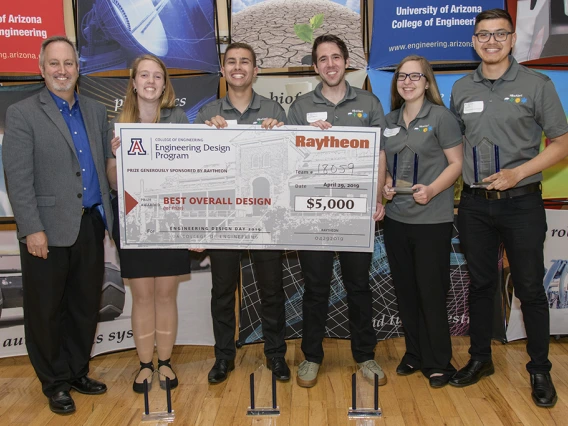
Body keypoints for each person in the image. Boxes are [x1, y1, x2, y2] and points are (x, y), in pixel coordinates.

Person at [449, 9, 568, 407]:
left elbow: (562, 144)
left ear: (513, 39)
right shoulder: (462, 88)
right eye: (483, 35)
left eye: (500, 34)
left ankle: (539, 369)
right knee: (481, 286)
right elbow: (454, 148)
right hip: (475, 206)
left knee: (530, 289)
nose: (491, 41)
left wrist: (518, 174)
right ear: (474, 41)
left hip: (522, 203)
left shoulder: (537, 84)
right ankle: (480, 358)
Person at [2, 36, 112, 415]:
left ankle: (77, 370)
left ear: (78, 68)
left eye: (68, 63)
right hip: (45, 230)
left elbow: (104, 167)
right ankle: (54, 382)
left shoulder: (96, 112)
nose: (62, 70)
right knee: (45, 310)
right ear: (41, 67)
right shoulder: (22, 114)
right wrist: (31, 227)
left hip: (89, 224)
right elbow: (17, 179)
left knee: (84, 306)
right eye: (54, 63)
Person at [288, 34, 387, 388]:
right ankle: (312, 356)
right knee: (315, 287)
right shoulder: (300, 107)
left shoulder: (369, 102)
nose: (330, 64)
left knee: (359, 285)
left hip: (357, 213)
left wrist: (378, 198)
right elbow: (290, 160)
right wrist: (307, 141)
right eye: (322, 59)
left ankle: (366, 355)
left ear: (346, 62)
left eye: (335, 57)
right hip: (314, 214)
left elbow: (379, 155)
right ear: (315, 67)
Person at [194, 42, 289, 383]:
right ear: (222, 70)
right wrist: (206, 136)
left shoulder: (275, 109)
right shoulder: (207, 114)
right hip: (223, 219)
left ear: (255, 70)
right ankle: (223, 357)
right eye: (231, 62)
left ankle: (276, 355)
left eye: (245, 62)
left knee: (272, 290)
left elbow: (291, 164)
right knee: (222, 292)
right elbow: (195, 171)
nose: (238, 67)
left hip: (264, 217)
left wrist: (282, 135)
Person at [106, 54, 191, 393]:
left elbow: (190, 171)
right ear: (133, 82)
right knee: (142, 296)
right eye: (144, 75)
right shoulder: (117, 123)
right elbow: (113, 182)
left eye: (157, 76)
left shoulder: (179, 118)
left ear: (164, 83)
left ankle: (166, 363)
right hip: (134, 220)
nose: (151, 81)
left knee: (166, 294)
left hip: (170, 218)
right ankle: (144, 365)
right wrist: (118, 158)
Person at [378, 55, 463, 388]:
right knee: (406, 292)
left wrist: (432, 189)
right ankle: (414, 354)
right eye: (402, 76)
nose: (408, 81)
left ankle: (439, 361)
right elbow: (385, 166)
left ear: (427, 82)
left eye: (416, 76)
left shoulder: (442, 118)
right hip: (397, 219)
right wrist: (384, 187)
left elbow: (456, 164)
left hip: (432, 220)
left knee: (431, 291)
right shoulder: (389, 120)